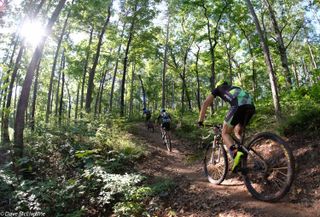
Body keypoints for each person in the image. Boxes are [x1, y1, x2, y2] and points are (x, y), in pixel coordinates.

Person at [198, 80, 255, 172]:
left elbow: (205, 103)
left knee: (224, 133)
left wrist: (200, 121)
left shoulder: (218, 89)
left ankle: (237, 154)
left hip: (238, 105)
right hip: (251, 105)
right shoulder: (235, 88)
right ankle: (244, 152)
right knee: (237, 131)